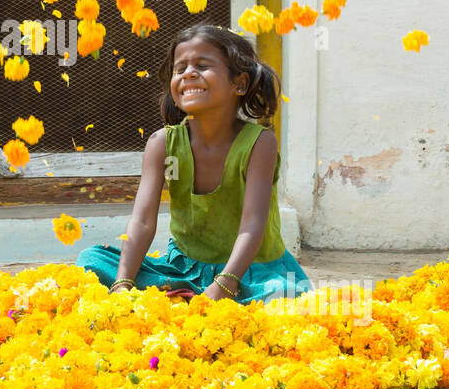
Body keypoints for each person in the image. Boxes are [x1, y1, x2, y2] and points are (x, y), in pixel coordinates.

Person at [78, 23, 311, 302]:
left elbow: (253, 224)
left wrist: (224, 285)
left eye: (202, 65)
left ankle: (192, 296)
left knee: (283, 297)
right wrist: (123, 283)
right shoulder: (161, 144)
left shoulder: (259, 144)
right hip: (184, 268)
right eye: (180, 69)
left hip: (252, 271)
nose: (188, 74)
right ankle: (186, 291)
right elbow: (141, 221)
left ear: (239, 83)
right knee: (92, 260)